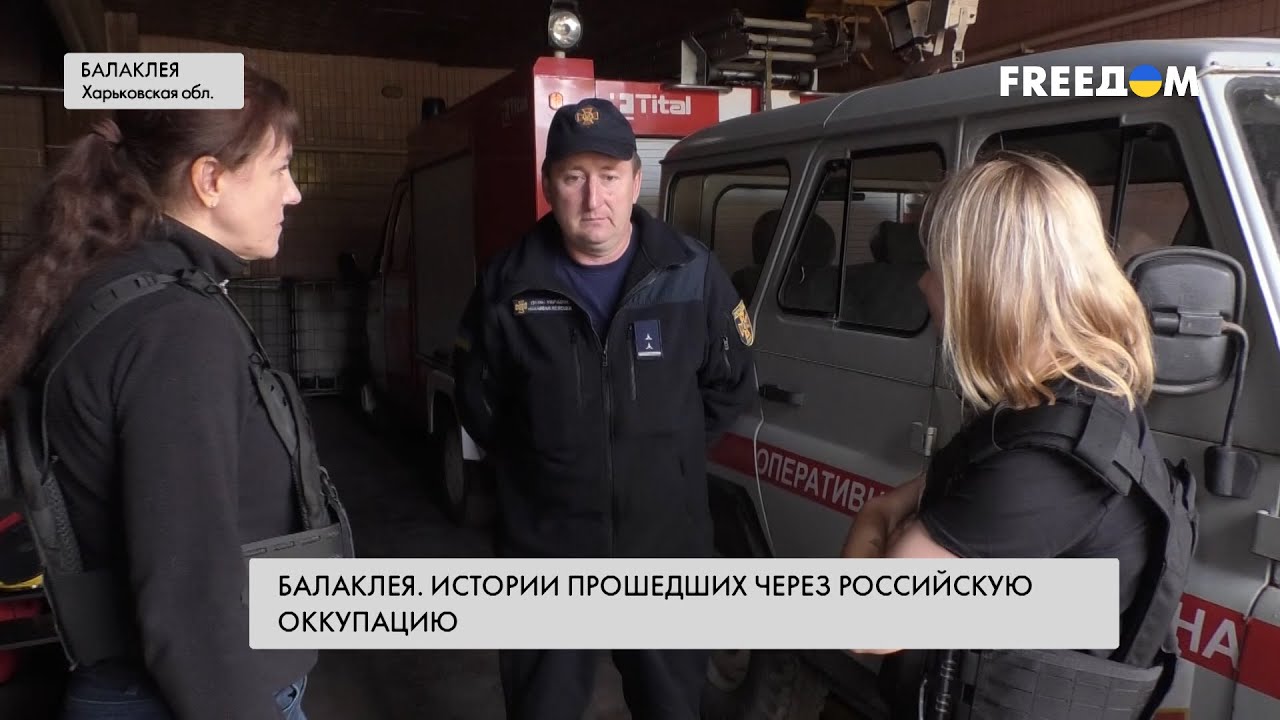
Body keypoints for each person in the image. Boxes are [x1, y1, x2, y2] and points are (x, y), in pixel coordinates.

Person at [0, 67, 352, 720]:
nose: (294, 193)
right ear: (210, 179)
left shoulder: (113, 283)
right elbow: (187, 601)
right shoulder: (176, 330)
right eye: (280, 169)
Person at [842, 153, 1197, 719]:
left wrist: (874, 515)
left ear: (984, 287)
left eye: (937, 267)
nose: (924, 284)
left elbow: (865, 624)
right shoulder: (1078, 394)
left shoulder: (1044, 462)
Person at [453, 97, 757, 720]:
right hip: (547, 552)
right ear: (548, 186)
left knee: (671, 708)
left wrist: (662, 457)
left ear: (636, 181)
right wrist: (548, 467)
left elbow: (730, 383)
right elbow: (479, 401)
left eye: (610, 176)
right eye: (574, 177)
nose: (594, 199)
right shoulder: (508, 283)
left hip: (665, 550)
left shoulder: (692, 274)